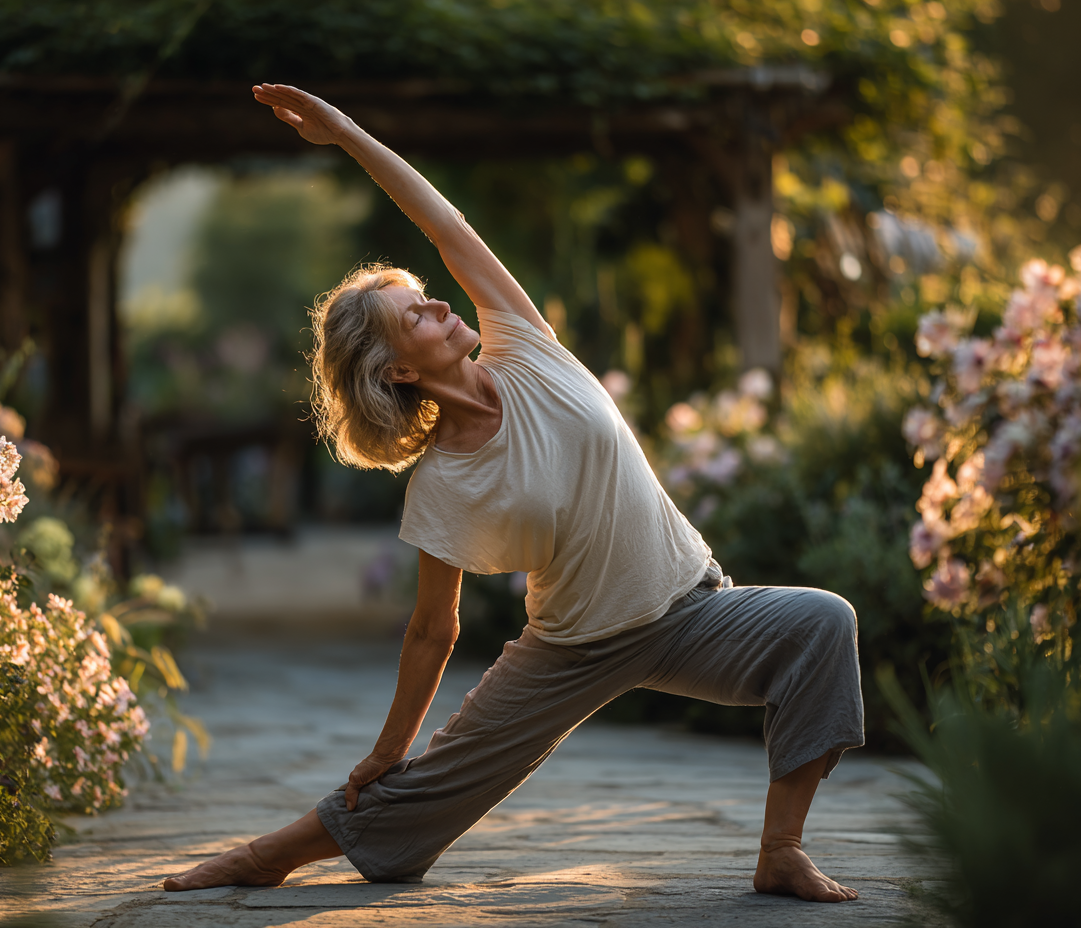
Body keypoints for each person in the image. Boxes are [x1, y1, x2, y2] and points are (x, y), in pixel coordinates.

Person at [163, 84, 865, 903]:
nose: (438, 303)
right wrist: (390, 748)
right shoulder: (442, 483)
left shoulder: (526, 346)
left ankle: (781, 850)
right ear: (399, 369)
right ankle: (263, 856)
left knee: (823, 623)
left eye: (426, 294)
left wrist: (347, 132)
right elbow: (434, 629)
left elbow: (446, 226)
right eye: (415, 316)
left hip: (690, 605)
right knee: (414, 808)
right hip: (572, 648)